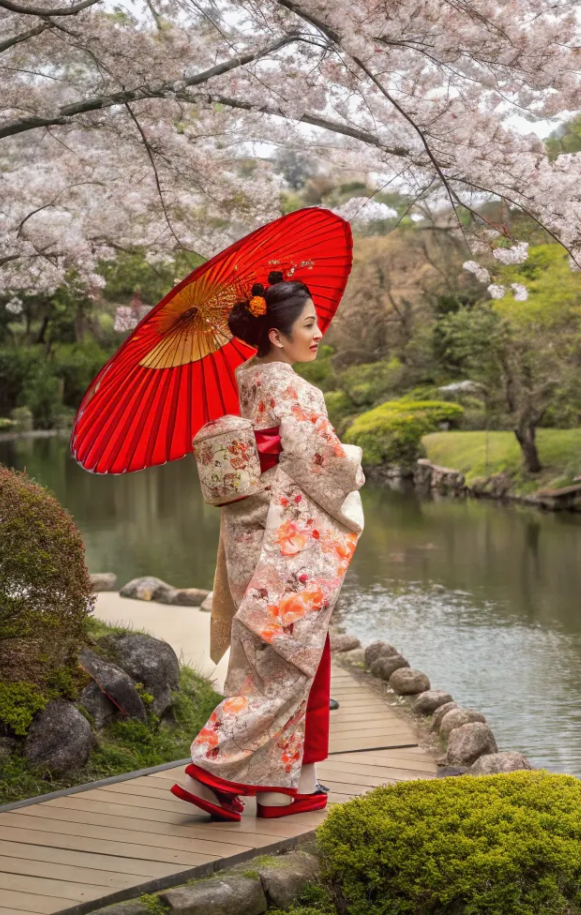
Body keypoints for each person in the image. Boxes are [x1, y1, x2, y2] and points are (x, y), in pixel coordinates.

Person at [172, 271, 365, 821]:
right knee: (288, 663)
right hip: (285, 542)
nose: (319, 332)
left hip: (248, 533)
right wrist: (354, 461)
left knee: (284, 658)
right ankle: (213, 769)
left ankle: (285, 787)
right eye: (309, 325)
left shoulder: (250, 377)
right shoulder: (296, 388)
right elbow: (319, 464)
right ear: (277, 336)